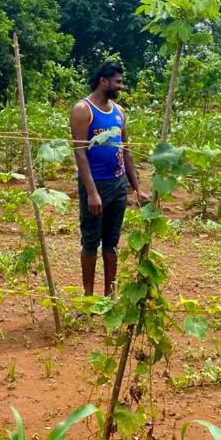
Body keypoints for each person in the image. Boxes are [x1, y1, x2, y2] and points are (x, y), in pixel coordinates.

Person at [70, 61, 149, 297]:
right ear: (103, 81)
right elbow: (80, 152)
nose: (121, 86)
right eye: (117, 82)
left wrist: (137, 188)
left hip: (118, 185)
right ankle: (88, 297)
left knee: (112, 242)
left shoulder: (119, 112)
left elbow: (126, 151)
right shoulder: (83, 110)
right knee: (91, 241)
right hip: (95, 185)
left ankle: (110, 295)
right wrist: (92, 192)